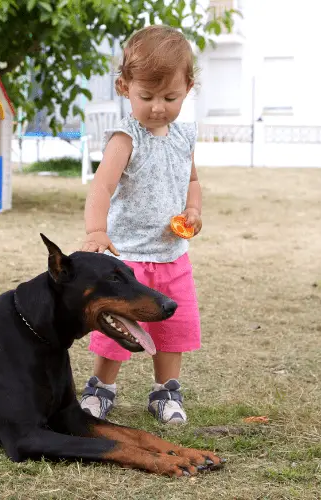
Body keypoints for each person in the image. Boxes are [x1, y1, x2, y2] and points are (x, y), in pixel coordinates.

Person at [79, 25, 203, 424]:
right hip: (128, 258)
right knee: (119, 327)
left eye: (171, 97)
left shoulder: (184, 138)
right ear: (124, 86)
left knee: (173, 327)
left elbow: (192, 181)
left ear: (188, 87)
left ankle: (166, 392)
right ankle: (101, 388)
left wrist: (194, 210)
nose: (157, 108)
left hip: (172, 256)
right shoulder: (125, 138)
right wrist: (97, 231)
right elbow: (102, 185)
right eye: (145, 96)